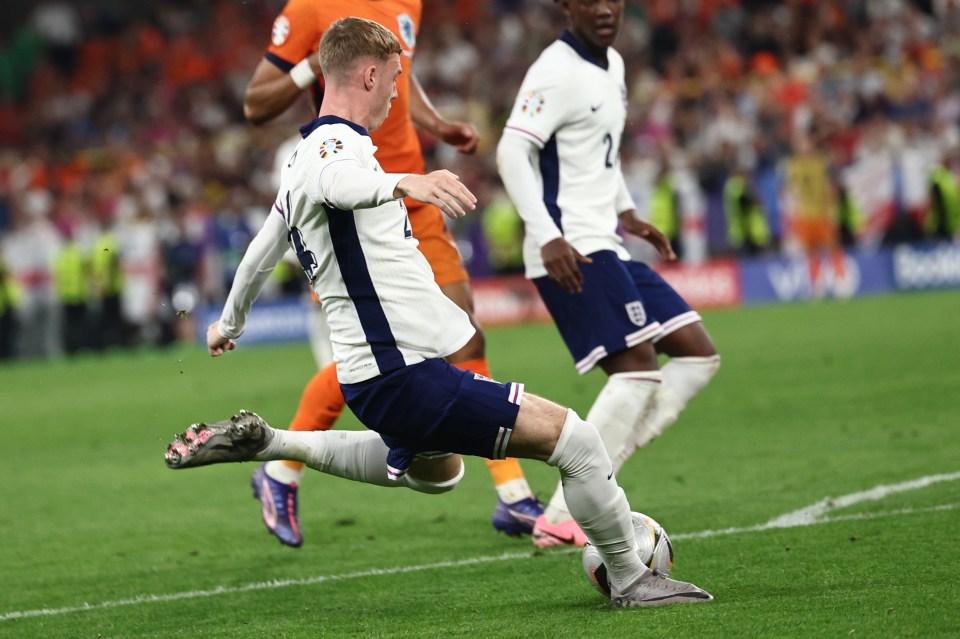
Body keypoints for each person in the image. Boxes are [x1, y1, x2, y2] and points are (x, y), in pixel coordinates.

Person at [164, 18, 712, 608]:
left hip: (368, 380)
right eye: (395, 79)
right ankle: (632, 577)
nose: (398, 92)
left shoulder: (297, 160)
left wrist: (229, 323)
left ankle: (272, 443)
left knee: (439, 471)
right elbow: (340, 183)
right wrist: (407, 183)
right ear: (369, 74)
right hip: (406, 374)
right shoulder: (333, 151)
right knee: (577, 442)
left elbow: (258, 254)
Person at [241, 0, 542, 547]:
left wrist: (436, 123)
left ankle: (513, 498)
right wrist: (314, 63)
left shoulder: (408, 4)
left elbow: (401, 69)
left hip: (411, 186)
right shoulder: (309, 10)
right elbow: (256, 104)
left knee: (461, 327)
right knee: (382, 353)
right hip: (354, 195)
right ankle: (282, 468)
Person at [495, 0, 721, 549]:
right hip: (571, 247)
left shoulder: (612, 65)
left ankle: (586, 490)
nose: (603, 9)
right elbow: (511, 151)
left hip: (607, 239)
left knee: (697, 354)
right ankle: (570, 508)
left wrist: (625, 212)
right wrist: (547, 234)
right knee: (638, 371)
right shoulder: (555, 70)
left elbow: (603, 154)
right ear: (565, 6)